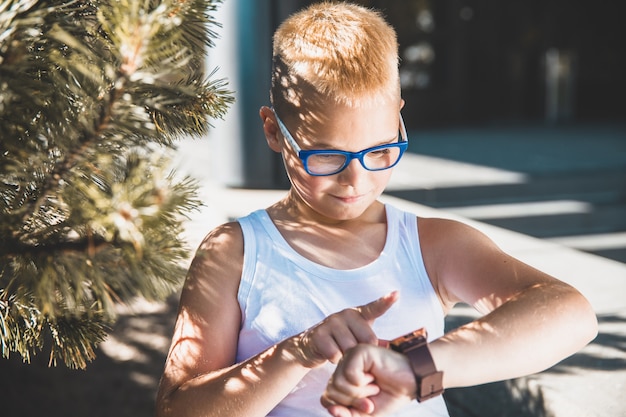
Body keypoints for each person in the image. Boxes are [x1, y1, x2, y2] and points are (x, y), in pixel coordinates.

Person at [155, 2, 597, 417]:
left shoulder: (430, 244)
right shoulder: (234, 252)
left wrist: (412, 367)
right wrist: (296, 353)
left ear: (399, 118)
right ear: (274, 130)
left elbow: (571, 314)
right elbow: (177, 408)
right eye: (325, 156)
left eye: (380, 150)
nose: (356, 180)